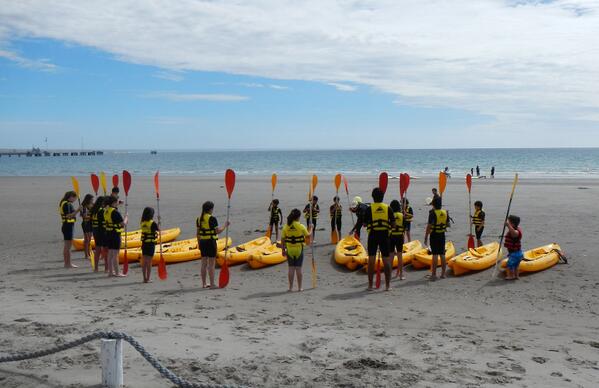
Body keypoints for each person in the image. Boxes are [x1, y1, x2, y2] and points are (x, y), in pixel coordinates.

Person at [364, 187, 395, 291]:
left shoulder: (369, 208)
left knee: (371, 260)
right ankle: (388, 285)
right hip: (384, 237)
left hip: (373, 236)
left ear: (373, 197)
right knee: (386, 261)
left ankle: (370, 285)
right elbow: (393, 225)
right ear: (383, 196)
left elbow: (364, 224)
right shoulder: (388, 208)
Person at [196, 201, 229, 288]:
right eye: (212, 209)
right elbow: (218, 231)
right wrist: (225, 225)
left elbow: (198, 234)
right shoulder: (212, 218)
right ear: (210, 209)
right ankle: (212, 284)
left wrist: (199, 244)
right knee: (211, 264)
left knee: (203, 263)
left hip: (202, 242)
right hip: (210, 242)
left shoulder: (199, 219)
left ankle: (204, 284)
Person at [281, 208, 312, 292]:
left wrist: (283, 250)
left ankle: (290, 288)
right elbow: (308, 235)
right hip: (299, 249)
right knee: (298, 269)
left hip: (289, 250)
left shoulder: (286, 226)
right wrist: (311, 228)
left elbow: (283, 239)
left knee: (291, 268)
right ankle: (300, 287)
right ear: (298, 217)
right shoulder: (301, 226)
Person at [424, 196, 449, 280]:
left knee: (435, 254)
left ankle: (434, 275)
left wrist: (426, 237)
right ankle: (443, 274)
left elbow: (429, 226)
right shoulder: (445, 212)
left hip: (434, 235)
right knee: (442, 254)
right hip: (442, 235)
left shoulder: (432, 213)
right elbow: (448, 225)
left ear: (433, 205)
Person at [104, 196, 128, 277]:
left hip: (108, 234)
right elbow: (122, 224)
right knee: (115, 254)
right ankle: (117, 272)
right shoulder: (115, 212)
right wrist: (126, 218)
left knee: (110, 254)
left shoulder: (106, 210)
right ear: (113, 202)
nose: (118, 203)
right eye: (117, 201)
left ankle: (110, 272)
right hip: (115, 234)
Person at [59, 191, 80, 268]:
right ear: (71, 197)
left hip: (66, 226)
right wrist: (78, 210)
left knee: (67, 246)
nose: (74, 200)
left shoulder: (63, 202)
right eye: (74, 198)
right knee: (68, 246)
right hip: (68, 226)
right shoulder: (67, 204)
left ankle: (67, 263)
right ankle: (68, 264)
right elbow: (69, 216)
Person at [140, 207, 159, 283]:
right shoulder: (152, 223)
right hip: (150, 244)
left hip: (144, 244)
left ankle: (144, 278)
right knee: (149, 261)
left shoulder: (142, 222)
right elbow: (158, 230)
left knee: (144, 261)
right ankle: (148, 278)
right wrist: (158, 221)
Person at [389, 200, 406, 279]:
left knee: (391, 256)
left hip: (391, 236)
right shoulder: (402, 215)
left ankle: (389, 274)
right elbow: (404, 228)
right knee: (400, 256)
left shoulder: (390, 215)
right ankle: (401, 275)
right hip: (399, 236)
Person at [504, 215, 523, 280]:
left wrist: (508, 225)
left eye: (509, 222)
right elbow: (513, 229)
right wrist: (509, 225)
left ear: (512, 224)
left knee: (509, 266)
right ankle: (516, 276)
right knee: (516, 266)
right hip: (517, 253)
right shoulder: (517, 228)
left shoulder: (516, 232)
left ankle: (510, 276)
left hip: (515, 254)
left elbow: (514, 234)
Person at [90, 196, 106, 272]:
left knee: (97, 249)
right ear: (102, 203)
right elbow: (104, 221)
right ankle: (107, 268)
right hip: (101, 231)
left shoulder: (93, 209)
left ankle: (96, 268)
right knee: (105, 249)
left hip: (95, 230)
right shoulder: (101, 211)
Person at [80, 194, 94, 261]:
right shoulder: (84, 206)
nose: (92, 200)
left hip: (91, 223)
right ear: (88, 199)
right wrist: (91, 217)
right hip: (86, 223)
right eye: (91, 199)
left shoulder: (92, 205)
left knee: (89, 240)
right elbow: (84, 216)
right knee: (87, 240)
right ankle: (86, 254)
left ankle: (88, 253)